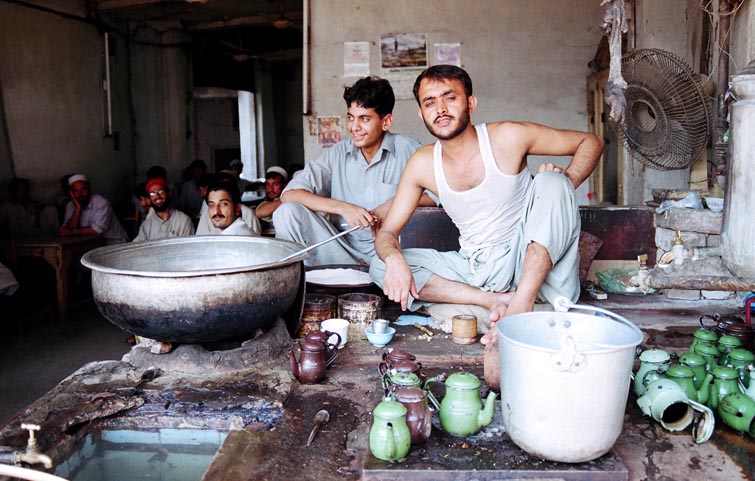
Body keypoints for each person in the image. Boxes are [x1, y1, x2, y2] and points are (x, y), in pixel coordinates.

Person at [369, 65, 604, 388]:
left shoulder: (507, 136)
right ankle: (494, 302)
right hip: (480, 268)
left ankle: (521, 304)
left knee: (551, 180)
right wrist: (394, 259)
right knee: (378, 265)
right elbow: (387, 233)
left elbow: (590, 142)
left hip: (535, 262)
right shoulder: (423, 163)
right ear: (421, 113)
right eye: (430, 102)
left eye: (449, 98)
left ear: (471, 103)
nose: (440, 109)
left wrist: (566, 184)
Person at [273, 75, 435, 266]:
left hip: (391, 250)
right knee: (286, 212)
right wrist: (343, 207)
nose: (354, 127)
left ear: (386, 122)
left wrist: (392, 204)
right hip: (340, 250)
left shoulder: (408, 149)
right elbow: (289, 195)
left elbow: (438, 195)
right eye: (351, 118)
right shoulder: (337, 154)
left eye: (364, 119)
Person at [60, 174, 129, 244]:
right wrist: (77, 208)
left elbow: (97, 229)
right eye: (76, 191)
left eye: (83, 189)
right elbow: (67, 229)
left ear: (89, 189)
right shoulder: (70, 205)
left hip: (114, 242)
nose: (80, 194)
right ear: (71, 193)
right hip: (92, 244)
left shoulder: (101, 202)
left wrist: (72, 232)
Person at [195, 173, 261, 235]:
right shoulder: (223, 233)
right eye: (212, 205)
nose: (216, 211)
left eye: (223, 204)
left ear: (237, 208)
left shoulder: (242, 237)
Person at [133, 177, 195, 242]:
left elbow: (188, 249)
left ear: (169, 193)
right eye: (152, 194)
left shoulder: (183, 221)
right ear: (149, 198)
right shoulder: (146, 226)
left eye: (160, 191)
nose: (157, 196)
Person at [255, 166, 288, 233]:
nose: (271, 189)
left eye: (275, 184)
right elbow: (260, 212)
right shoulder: (266, 203)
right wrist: (287, 198)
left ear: (284, 185)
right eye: (268, 184)